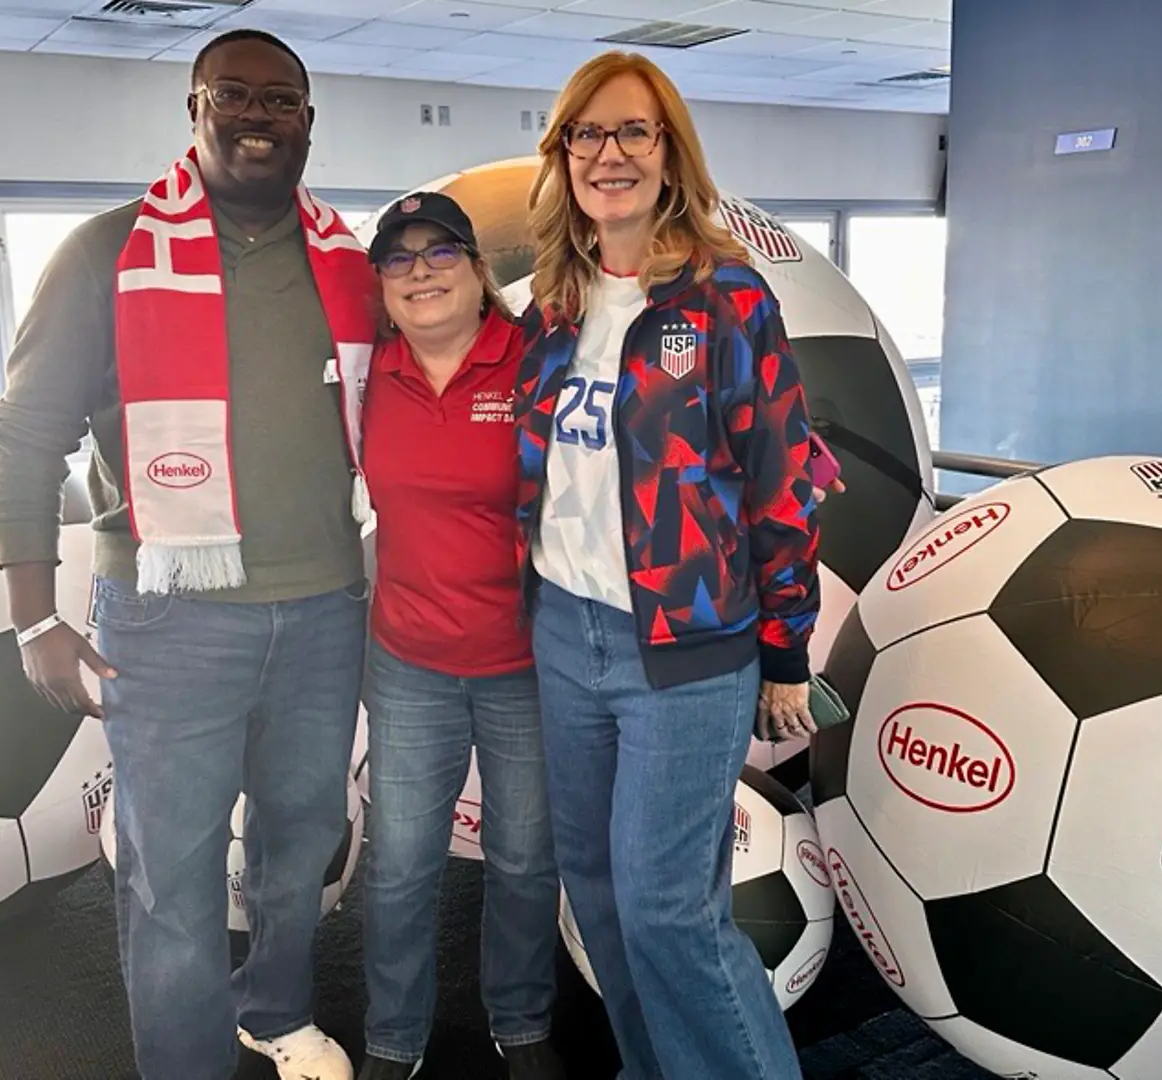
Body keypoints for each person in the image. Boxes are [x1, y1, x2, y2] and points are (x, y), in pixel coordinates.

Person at [0, 28, 377, 1080]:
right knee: (173, 875)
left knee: (301, 845)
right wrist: (34, 617)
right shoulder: (107, 251)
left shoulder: (350, 263)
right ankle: (186, 1062)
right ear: (195, 111)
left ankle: (279, 1010)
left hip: (327, 607)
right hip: (169, 619)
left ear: (307, 119)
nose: (258, 116)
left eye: (281, 100)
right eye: (233, 95)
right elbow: (25, 439)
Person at [511, 50, 822, 1080]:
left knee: (667, 913)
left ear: (668, 150)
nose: (609, 153)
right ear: (563, 156)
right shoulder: (550, 305)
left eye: (632, 132)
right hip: (566, 633)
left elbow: (782, 484)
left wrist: (784, 648)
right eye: (586, 135)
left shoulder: (728, 298)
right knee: (597, 896)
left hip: (687, 651)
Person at [350, 194, 567, 1080]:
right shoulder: (369, 376)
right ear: (382, 287)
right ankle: (392, 1040)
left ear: (479, 271)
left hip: (525, 661)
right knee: (400, 865)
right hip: (408, 663)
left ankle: (522, 1026)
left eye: (441, 252)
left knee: (522, 859)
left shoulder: (537, 364)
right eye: (398, 260)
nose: (420, 271)